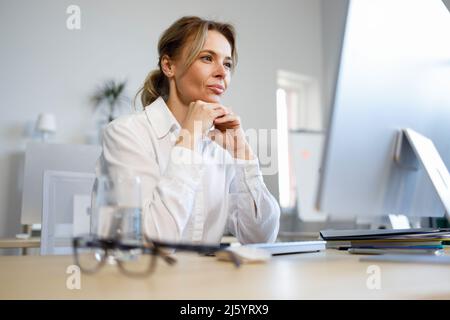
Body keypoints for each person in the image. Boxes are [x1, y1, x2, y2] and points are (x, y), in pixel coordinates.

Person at [96, 16, 280, 245]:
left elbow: (261, 239)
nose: (222, 72)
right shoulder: (126, 134)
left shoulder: (221, 147)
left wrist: (244, 156)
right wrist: (189, 138)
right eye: (207, 58)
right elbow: (149, 244)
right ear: (169, 66)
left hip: (203, 280)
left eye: (228, 64)